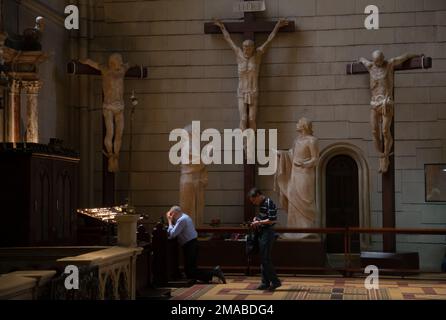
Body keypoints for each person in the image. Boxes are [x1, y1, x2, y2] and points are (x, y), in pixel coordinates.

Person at [214, 19, 289, 130]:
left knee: (251, 118)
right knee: (243, 118)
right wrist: (222, 27)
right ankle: (243, 144)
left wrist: (277, 27)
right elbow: (228, 40)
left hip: (253, 91)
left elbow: (269, 40)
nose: (246, 50)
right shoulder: (239, 54)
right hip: (241, 91)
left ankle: (251, 143)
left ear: (253, 48)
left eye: (249, 48)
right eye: (245, 47)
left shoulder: (257, 55)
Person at [359, 50, 420, 173]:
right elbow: (362, 59)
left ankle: (386, 155)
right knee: (374, 130)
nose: (378, 63)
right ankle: (380, 155)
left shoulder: (390, 64)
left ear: (383, 58)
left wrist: (416, 54)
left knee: (385, 130)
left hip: (387, 103)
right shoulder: (370, 66)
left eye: (380, 60)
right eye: (376, 61)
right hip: (374, 104)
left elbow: (405, 56)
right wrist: (359, 59)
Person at [81, 53, 130, 172]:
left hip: (119, 107)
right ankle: (110, 154)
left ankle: (115, 156)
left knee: (119, 133)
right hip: (108, 106)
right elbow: (94, 64)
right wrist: (86, 61)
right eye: (119, 61)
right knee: (110, 132)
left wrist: (132, 65)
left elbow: (128, 65)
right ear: (113, 62)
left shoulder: (122, 70)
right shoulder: (105, 70)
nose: (121, 63)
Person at [166, 206, 226, 284]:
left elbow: (172, 234)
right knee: (189, 270)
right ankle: (211, 274)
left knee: (190, 271)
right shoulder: (184, 217)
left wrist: (169, 221)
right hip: (191, 244)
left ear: (174, 213)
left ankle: (215, 272)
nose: (171, 216)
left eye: (171, 214)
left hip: (190, 245)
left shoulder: (182, 220)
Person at [248, 188, 281, 291]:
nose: (254, 203)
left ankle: (275, 282)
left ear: (258, 195)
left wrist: (259, 222)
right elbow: (264, 217)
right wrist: (256, 219)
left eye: (254, 200)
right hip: (263, 232)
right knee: (263, 258)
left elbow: (272, 219)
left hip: (268, 232)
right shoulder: (262, 204)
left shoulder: (268, 202)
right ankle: (265, 283)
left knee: (265, 259)